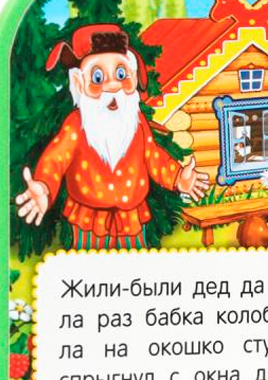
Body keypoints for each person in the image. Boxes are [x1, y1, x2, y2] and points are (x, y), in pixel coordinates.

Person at [15, 24, 209, 249]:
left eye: (121, 74)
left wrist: (177, 178)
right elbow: (55, 159)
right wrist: (44, 186)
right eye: (98, 77)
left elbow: (154, 157)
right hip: (88, 221)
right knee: (91, 267)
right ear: (79, 83)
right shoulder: (77, 125)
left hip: (132, 219)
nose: (113, 86)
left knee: (134, 266)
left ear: (133, 77)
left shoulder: (136, 122)